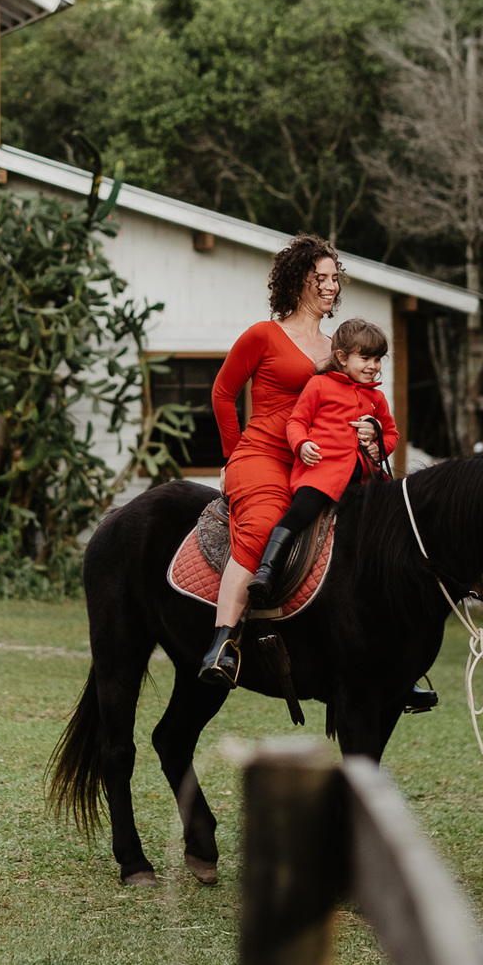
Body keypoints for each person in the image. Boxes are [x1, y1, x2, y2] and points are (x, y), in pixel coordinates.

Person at [199, 234, 340, 686]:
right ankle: (223, 643)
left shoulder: (337, 347)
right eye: (320, 278)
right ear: (297, 281)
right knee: (263, 524)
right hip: (261, 454)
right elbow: (223, 394)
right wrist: (229, 456)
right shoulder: (263, 335)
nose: (330, 286)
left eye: (334, 278)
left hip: (316, 461)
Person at [246, 318, 399, 610]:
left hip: (363, 480)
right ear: (342, 357)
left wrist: (378, 447)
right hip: (321, 475)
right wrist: (302, 444)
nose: (373, 366)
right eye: (365, 358)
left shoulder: (377, 398)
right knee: (300, 512)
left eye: (378, 359)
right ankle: (267, 569)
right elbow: (296, 421)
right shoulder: (319, 385)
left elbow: (391, 434)